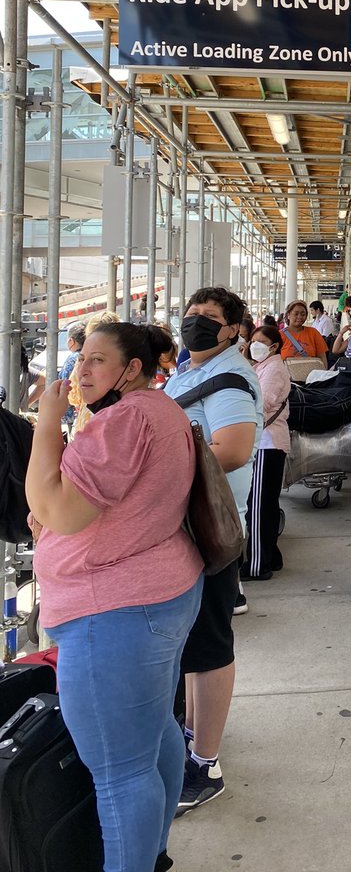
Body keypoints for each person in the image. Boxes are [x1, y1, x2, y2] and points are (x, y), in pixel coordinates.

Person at [27, 322, 203, 872]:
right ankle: (154, 854)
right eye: (82, 357)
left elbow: (58, 509)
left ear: (132, 368)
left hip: (113, 609)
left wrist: (48, 423)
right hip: (160, 592)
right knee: (154, 735)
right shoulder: (159, 408)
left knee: (119, 771)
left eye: (98, 360)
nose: (82, 369)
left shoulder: (124, 420)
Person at [166, 287, 262, 816]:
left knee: (207, 646)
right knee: (190, 644)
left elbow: (232, 449)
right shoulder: (190, 371)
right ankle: (190, 737)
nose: (194, 322)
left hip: (207, 530)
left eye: (207, 317)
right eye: (190, 313)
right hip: (183, 528)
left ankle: (205, 765)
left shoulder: (228, 378)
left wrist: (155, 469)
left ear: (231, 330)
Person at [244, 323, 291, 581]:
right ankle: (271, 555)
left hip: (267, 443)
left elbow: (261, 403)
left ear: (273, 347)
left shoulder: (273, 369)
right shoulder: (262, 366)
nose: (254, 345)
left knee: (259, 506)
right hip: (268, 443)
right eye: (252, 341)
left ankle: (258, 565)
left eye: (260, 342)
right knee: (265, 504)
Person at [59, 322, 86, 429]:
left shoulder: (72, 359)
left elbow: (65, 382)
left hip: (75, 410)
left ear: (71, 341)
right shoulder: (91, 355)